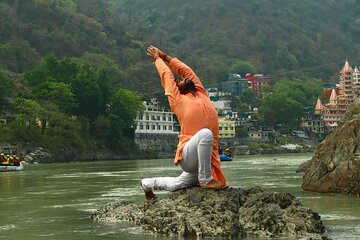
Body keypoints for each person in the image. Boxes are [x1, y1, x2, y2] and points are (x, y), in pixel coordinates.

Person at [140, 45, 227, 201]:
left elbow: (187, 71)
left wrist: (165, 56)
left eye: (181, 78)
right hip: (189, 155)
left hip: (205, 158)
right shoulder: (177, 99)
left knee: (177, 184)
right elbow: (167, 75)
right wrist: (157, 59)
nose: (181, 78)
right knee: (206, 134)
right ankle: (205, 179)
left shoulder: (202, 94)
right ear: (177, 88)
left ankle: (147, 184)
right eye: (179, 80)